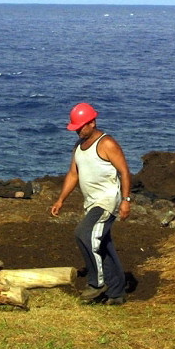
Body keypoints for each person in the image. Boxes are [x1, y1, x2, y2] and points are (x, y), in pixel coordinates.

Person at [50, 103, 131, 305]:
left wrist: (126, 200)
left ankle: (97, 283)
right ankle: (117, 293)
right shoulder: (78, 146)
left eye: (81, 127)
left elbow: (124, 172)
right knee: (103, 245)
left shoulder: (107, 144)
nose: (77, 131)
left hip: (107, 201)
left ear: (92, 123)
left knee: (84, 234)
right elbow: (73, 174)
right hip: (91, 202)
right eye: (75, 128)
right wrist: (61, 200)